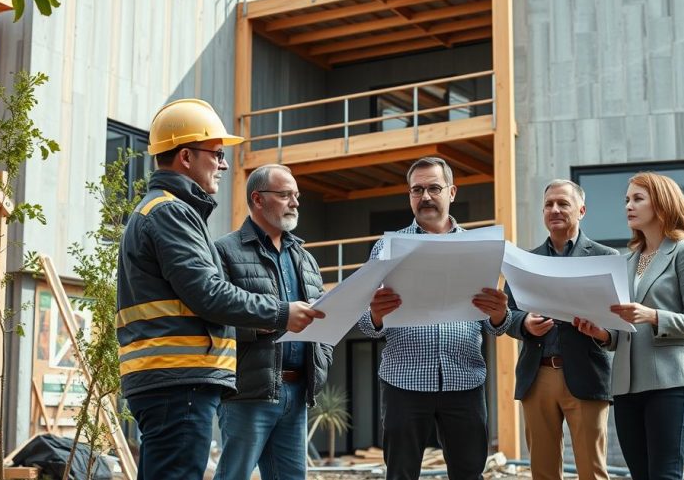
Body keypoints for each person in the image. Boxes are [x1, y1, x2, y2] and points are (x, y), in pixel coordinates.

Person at [117, 99, 308, 480]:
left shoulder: (167, 210)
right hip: (178, 380)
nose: (223, 164)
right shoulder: (171, 211)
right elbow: (208, 293)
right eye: (217, 154)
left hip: (173, 380)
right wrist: (283, 313)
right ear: (186, 157)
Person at [357, 156, 512, 480]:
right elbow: (363, 322)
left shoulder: (478, 247)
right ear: (410, 196)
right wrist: (374, 314)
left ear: (452, 192)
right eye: (417, 190)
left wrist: (499, 316)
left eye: (433, 188)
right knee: (400, 474)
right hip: (404, 381)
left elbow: (495, 324)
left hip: (465, 380)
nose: (425, 196)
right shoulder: (386, 247)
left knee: (469, 473)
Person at [577, 172, 684, 480]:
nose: (628, 206)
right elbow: (622, 329)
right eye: (626, 199)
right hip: (625, 388)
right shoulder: (625, 262)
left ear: (662, 204)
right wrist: (601, 333)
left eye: (638, 199)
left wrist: (652, 315)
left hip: (670, 384)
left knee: (664, 475)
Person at [214, 164, 333, 480]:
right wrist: (265, 323)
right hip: (247, 393)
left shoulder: (305, 259)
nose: (295, 202)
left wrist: (321, 360)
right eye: (284, 195)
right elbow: (215, 318)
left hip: (297, 392)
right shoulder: (224, 251)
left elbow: (322, 318)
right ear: (258, 199)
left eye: (296, 195)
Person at [505, 179, 618, 480]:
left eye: (563, 204)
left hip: (586, 374)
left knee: (591, 471)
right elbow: (507, 314)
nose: (555, 209)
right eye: (549, 205)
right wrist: (524, 324)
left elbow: (620, 322)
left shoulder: (606, 258)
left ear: (581, 210)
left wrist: (601, 330)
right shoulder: (525, 261)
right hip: (536, 375)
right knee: (542, 472)